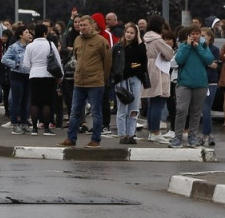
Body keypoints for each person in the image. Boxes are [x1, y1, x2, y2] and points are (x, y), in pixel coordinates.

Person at [62, 13, 111, 148]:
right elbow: (76, 57)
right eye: (80, 25)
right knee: (74, 111)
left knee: (96, 112)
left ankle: (95, 139)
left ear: (92, 25)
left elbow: (107, 62)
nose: (82, 27)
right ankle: (71, 138)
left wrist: (103, 77)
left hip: (95, 82)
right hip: (79, 82)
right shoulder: (77, 40)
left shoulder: (101, 41)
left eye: (85, 25)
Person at [171, 25, 210, 148]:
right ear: (188, 35)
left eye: (197, 33)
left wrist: (198, 48)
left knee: (196, 112)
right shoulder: (183, 46)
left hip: (200, 83)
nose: (195, 36)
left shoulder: (203, 46)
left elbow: (209, 59)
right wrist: (188, 46)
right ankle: (178, 137)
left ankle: (192, 137)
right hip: (184, 83)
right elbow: (179, 60)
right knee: (181, 110)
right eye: (193, 33)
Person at [22, 23, 62, 136]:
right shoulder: (50, 44)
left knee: (34, 102)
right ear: (45, 33)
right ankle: (46, 128)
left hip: (34, 75)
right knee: (47, 103)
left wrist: (33, 68)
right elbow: (57, 61)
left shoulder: (30, 46)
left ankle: (34, 129)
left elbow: (26, 64)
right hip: (48, 76)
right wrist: (60, 76)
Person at [111, 23, 147, 145]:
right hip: (121, 80)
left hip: (136, 79)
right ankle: (122, 135)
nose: (129, 35)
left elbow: (143, 60)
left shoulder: (139, 47)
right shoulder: (118, 47)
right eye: (127, 32)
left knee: (134, 108)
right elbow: (113, 63)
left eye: (132, 33)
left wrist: (140, 40)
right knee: (122, 108)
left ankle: (131, 134)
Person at [141, 15, 174, 144]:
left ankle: (152, 131)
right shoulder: (158, 40)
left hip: (149, 69)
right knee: (158, 102)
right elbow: (169, 54)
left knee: (152, 102)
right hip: (159, 69)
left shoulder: (145, 38)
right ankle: (155, 132)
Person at [1, 25, 32, 133]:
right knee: (16, 100)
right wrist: (16, 64)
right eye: (26, 32)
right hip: (17, 75)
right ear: (20, 35)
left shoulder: (30, 47)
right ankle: (15, 123)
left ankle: (24, 122)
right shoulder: (14, 47)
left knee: (26, 100)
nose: (29, 34)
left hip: (28, 75)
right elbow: (4, 59)